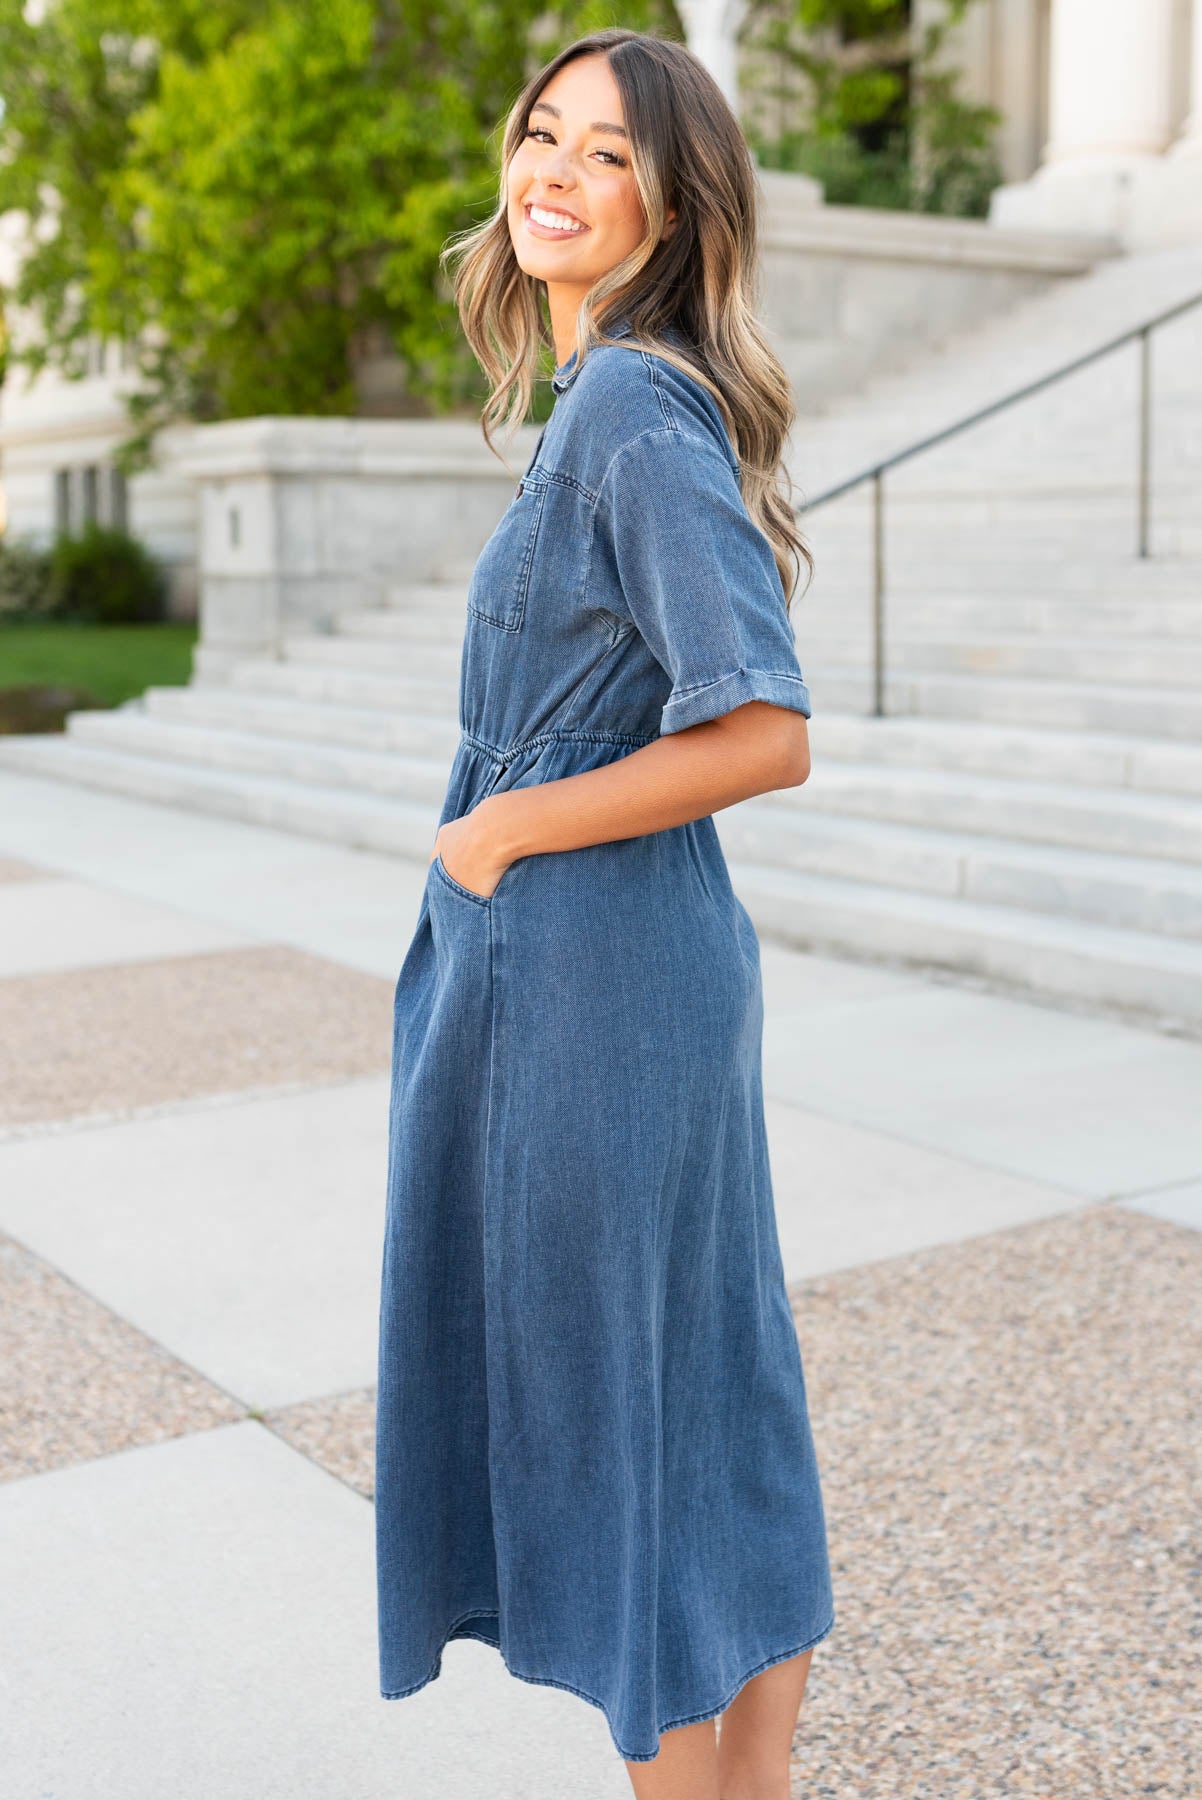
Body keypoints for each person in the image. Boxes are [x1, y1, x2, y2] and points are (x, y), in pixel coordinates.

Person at [375, 26, 835, 1799]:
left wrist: (500, 832)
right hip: (626, 959)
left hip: (589, 974)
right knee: (705, 1388)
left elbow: (764, 730)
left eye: (611, 154)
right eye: (540, 134)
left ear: (671, 201)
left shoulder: (633, 408)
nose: (554, 172)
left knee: (627, 1410)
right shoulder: (617, 401)